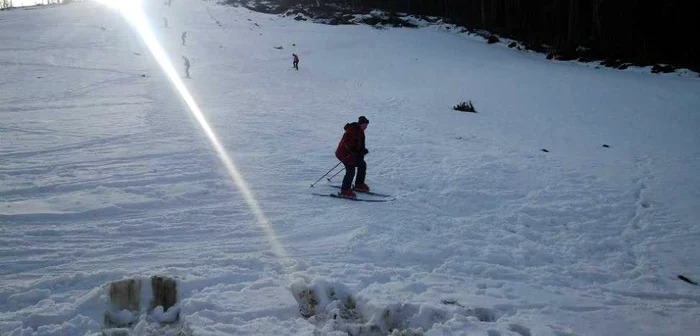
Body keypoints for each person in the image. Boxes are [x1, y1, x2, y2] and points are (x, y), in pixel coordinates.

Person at [335, 116, 370, 198]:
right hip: (345, 154)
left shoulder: (360, 131)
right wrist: (354, 150)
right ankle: (345, 190)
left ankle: (359, 184)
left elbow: (358, 144)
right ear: (360, 124)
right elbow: (347, 143)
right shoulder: (352, 131)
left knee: (362, 165)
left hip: (353, 154)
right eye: (365, 125)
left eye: (366, 125)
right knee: (351, 170)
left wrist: (362, 150)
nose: (366, 127)